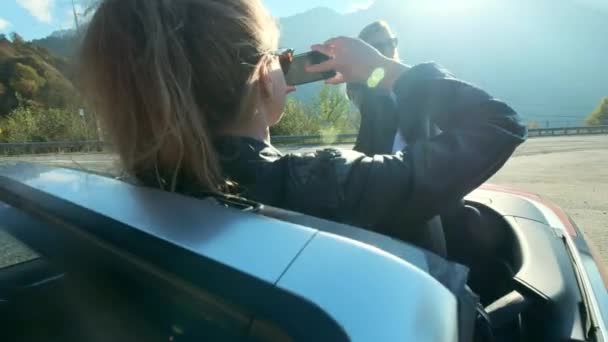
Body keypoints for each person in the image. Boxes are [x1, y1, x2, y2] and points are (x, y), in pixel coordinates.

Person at [79, 0, 527, 255]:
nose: (287, 72)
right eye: (281, 60)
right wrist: (389, 71)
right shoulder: (325, 182)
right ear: (260, 78)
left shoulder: (147, 189)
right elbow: (499, 123)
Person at [347, 20, 407, 155]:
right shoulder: (360, 86)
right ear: (366, 53)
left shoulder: (408, 78)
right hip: (380, 167)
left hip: (417, 166)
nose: (388, 49)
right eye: (379, 47)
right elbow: (364, 92)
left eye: (391, 42)